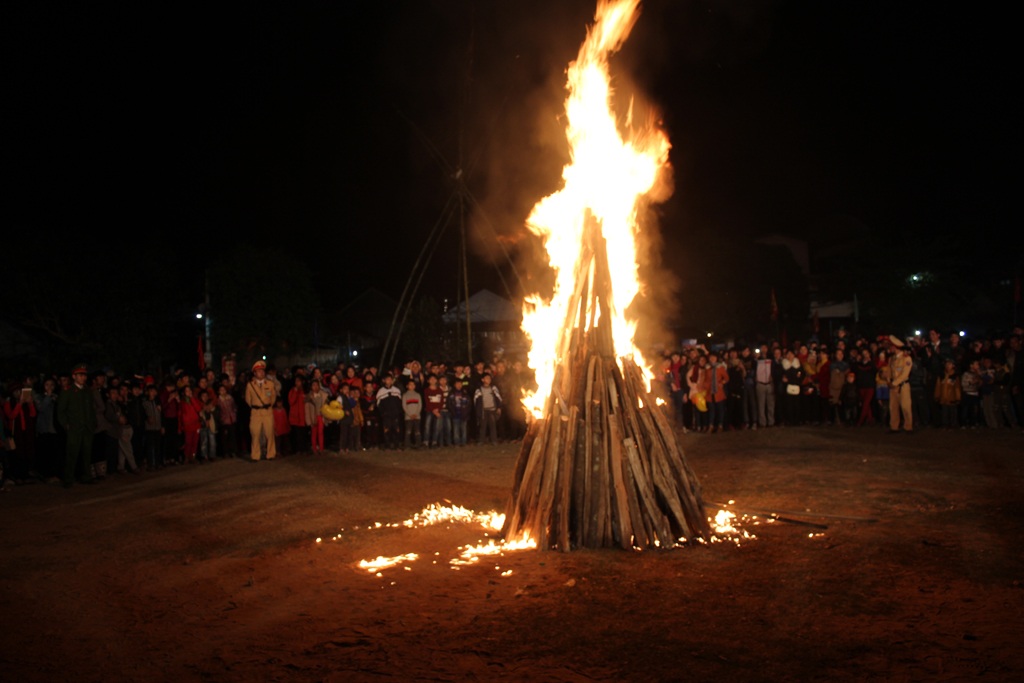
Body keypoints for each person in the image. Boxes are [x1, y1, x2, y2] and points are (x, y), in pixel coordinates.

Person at [56, 364, 98, 487]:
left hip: (87, 427)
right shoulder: (68, 391)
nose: (83, 377)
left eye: (84, 375)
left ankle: (86, 476)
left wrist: (93, 422)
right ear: (74, 376)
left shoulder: (87, 391)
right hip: (74, 427)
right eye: (80, 375)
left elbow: (91, 409)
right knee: (72, 454)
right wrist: (65, 424)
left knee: (87, 453)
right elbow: (61, 410)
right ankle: (68, 479)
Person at [245, 360, 279, 461]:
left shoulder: (270, 384)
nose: (262, 373)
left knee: (269, 433)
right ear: (254, 373)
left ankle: (270, 454)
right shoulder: (250, 385)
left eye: (262, 371)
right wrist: (256, 406)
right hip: (256, 412)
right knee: (255, 434)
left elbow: (273, 397)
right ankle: (255, 455)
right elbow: (248, 399)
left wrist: (267, 406)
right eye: (259, 371)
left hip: (267, 411)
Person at [886, 336, 913, 433]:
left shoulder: (906, 358)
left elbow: (905, 374)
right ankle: (894, 426)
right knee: (893, 407)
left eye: (891, 346)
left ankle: (908, 426)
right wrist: (888, 381)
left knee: (905, 406)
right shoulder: (892, 359)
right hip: (893, 386)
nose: (890, 349)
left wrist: (894, 383)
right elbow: (889, 371)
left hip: (903, 386)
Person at [376, 374, 403, 450]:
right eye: (387, 379)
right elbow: (379, 404)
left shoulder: (396, 390)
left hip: (395, 414)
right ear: (384, 380)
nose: (389, 381)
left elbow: (399, 402)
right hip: (386, 415)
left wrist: (398, 412)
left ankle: (396, 445)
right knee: (386, 430)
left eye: (390, 379)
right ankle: (387, 445)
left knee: (396, 430)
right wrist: (383, 413)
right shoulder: (381, 391)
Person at [474, 373, 502, 445]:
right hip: (484, 410)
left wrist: (498, 407)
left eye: (489, 378)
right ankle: (481, 440)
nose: (488, 380)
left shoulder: (493, 388)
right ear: (482, 380)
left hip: (492, 410)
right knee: (483, 426)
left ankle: (494, 440)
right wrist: (478, 411)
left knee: (493, 426)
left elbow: (498, 398)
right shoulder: (479, 390)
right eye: (486, 378)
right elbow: (476, 401)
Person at [935, 360, 961, 429]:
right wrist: (937, 396)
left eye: (949, 364)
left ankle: (953, 425)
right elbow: (938, 386)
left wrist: (958, 398)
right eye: (947, 364)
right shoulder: (941, 375)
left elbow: (957, 387)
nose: (948, 366)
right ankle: (945, 424)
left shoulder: (955, 376)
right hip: (943, 397)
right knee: (944, 413)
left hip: (952, 397)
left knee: (953, 412)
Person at [288, 375, 309, 454]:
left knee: (303, 433)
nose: (297, 383)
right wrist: (296, 391)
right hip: (296, 416)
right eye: (296, 381)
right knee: (296, 434)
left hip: (303, 416)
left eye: (299, 381)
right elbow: (291, 401)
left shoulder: (305, 391)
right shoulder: (292, 391)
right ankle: (297, 449)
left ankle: (303, 448)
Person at [306, 379, 328, 454]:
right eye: (313, 385)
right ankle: (314, 448)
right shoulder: (309, 397)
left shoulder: (323, 395)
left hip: (320, 416)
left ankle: (321, 448)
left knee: (321, 432)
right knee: (314, 433)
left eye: (317, 385)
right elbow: (307, 410)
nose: (315, 387)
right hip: (313, 417)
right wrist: (309, 421)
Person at [423, 374, 444, 447]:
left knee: (437, 427)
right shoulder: (426, 390)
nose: (432, 380)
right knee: (427, 426)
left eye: (434, 379)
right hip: (429, 411)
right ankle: (426, 442)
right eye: (431, 379)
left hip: (438, 411)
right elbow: (427, 401)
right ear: (428, 381)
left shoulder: (439, 390)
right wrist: (433, 410)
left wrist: (437, 410)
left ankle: (434, 442)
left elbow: (441, 401)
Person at [447, 377, 470, 446]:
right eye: (457, 384)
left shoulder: (465, 393)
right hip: (455, 414)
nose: (459, 385)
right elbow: (449, 404)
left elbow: (469, 404)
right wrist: (452, 412)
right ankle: (456, 442)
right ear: (454, 385)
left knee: (464, 429)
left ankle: (463, 442)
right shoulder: (451, 394)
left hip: (463, 414)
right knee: (456, 429)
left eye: (460, 384)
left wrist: (466, 413)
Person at [402, 379, 423, 449]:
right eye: (410, 385)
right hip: (408, 417)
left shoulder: (417, 395)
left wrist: (416, 414)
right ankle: (407, 444)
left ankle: (418, 444)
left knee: (417, 431)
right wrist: (409, 414)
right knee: (408, 431)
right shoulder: (405, 395)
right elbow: (404, 406)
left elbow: (420, 405)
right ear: (407, 386)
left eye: (413, 385)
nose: (412, 386)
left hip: (417, 416)